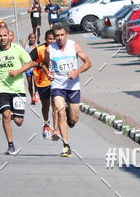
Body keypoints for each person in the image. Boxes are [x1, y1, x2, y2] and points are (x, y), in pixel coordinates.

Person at [44, 23, 92, 158]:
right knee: (60, 112)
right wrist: (47, 72)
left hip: (73, 87)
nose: (59, 38)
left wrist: (77, 72)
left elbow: (88, 63)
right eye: (57, 36)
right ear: (53, 36)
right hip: (57, 86)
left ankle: (70, 121)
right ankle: (66, 145)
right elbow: (43, 64)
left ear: (66, 35)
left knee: (73, 119)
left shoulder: (74, 46)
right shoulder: (50, 49)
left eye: (62, 35)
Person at [0, 25, 35, 156]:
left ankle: (12, 116)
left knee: (19, 121)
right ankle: (11, 145)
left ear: (9, 36)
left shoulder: (18, 49)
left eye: (4, 35)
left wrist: (18, 71)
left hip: (17, 88)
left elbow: (30, 63)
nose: (2, 38)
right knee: (5, 115)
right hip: (1, 88)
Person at [29, 29, 56, 139]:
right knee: (46, 105)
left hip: (56, 81)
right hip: (42, 81)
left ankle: (56, 128)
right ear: (45, 39)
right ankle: (46, 123)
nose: (52, 40)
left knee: (56, 105)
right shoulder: (39, 49)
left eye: (54, 38)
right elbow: (28, 61)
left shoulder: (59, 49)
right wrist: (39, 64)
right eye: (50, 39)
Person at [24, 32, 37, 104]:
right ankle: (32, 97)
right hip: (28, 68)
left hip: (35, 67)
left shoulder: (37, 46)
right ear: (28, 39)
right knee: (30, 83)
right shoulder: (26, 47)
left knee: (36, 83)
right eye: (30, 38)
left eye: (33, 38)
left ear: (35, 39)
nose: (32, 39)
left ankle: (35, 94)